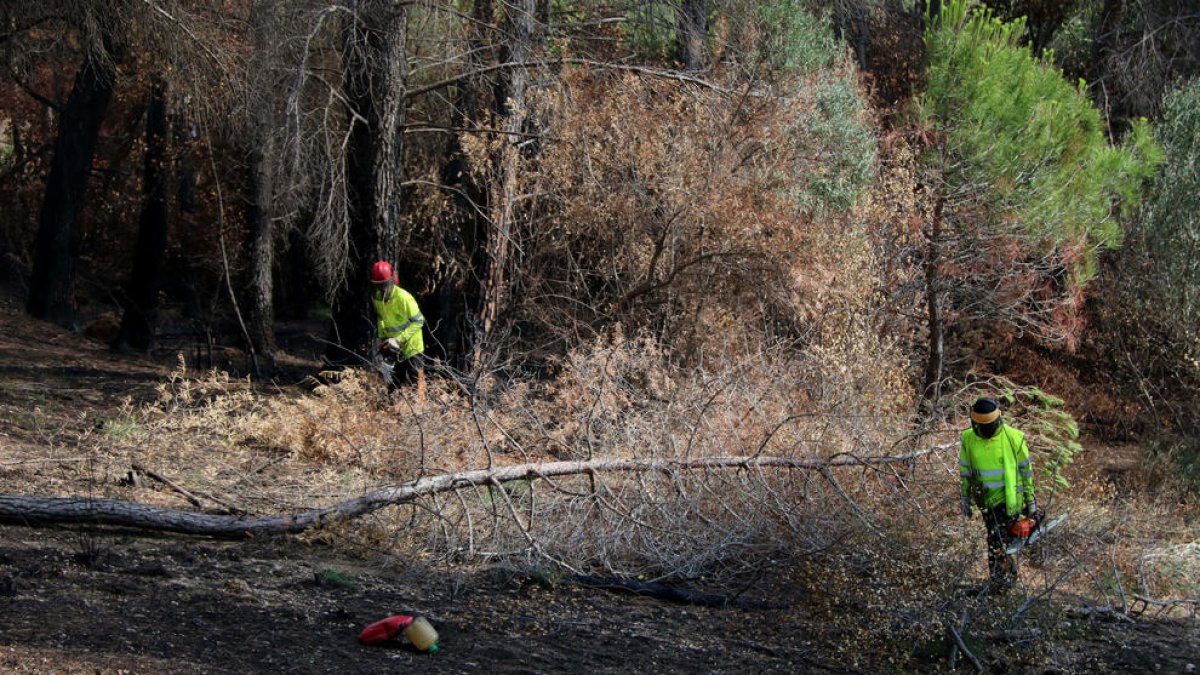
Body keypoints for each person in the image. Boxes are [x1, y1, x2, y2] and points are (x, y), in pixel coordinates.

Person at [958, 397, 1037, 591]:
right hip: (985, 500)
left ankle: (1001, 582)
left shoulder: (1013, 438)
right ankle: (1003, 579)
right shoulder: (968, 439)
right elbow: (965, 470)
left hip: (1008, 499)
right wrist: (965, 497)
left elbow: (1026, 471)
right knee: (996, 539)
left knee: (997, 540)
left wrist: (1030, 500)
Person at [369, 260, 425, 397]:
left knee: (416, 388)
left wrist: (399, 340)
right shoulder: (376, 298)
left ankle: (420, 413)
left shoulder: (404, 298)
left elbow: (419, 321)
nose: (381, 290)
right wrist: (381, 340)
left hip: (412, 348)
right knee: (393, 388)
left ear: (391, 282)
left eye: (383, 286)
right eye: (378, 286)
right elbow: (381, 319)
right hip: (393, 348)